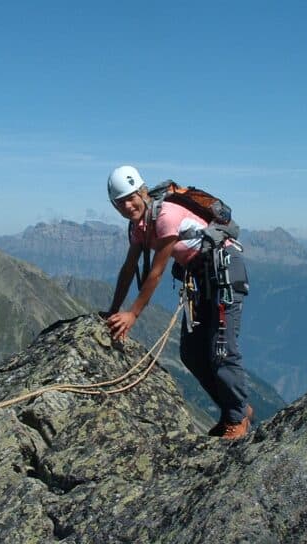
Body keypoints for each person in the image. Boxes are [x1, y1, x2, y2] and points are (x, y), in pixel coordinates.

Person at [104, 165, 252, 440]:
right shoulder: (138, 227)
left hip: (225, 275)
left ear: (143, 191)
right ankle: (236, 408)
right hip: (200, 279)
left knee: (222, 352)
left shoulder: (166, 216)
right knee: (192, 354)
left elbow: (156, 271)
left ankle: (237, 418)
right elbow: (128, 269)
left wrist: (133, 315)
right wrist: (114, 310)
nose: (127, 205)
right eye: (119, 202)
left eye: (130, 197)